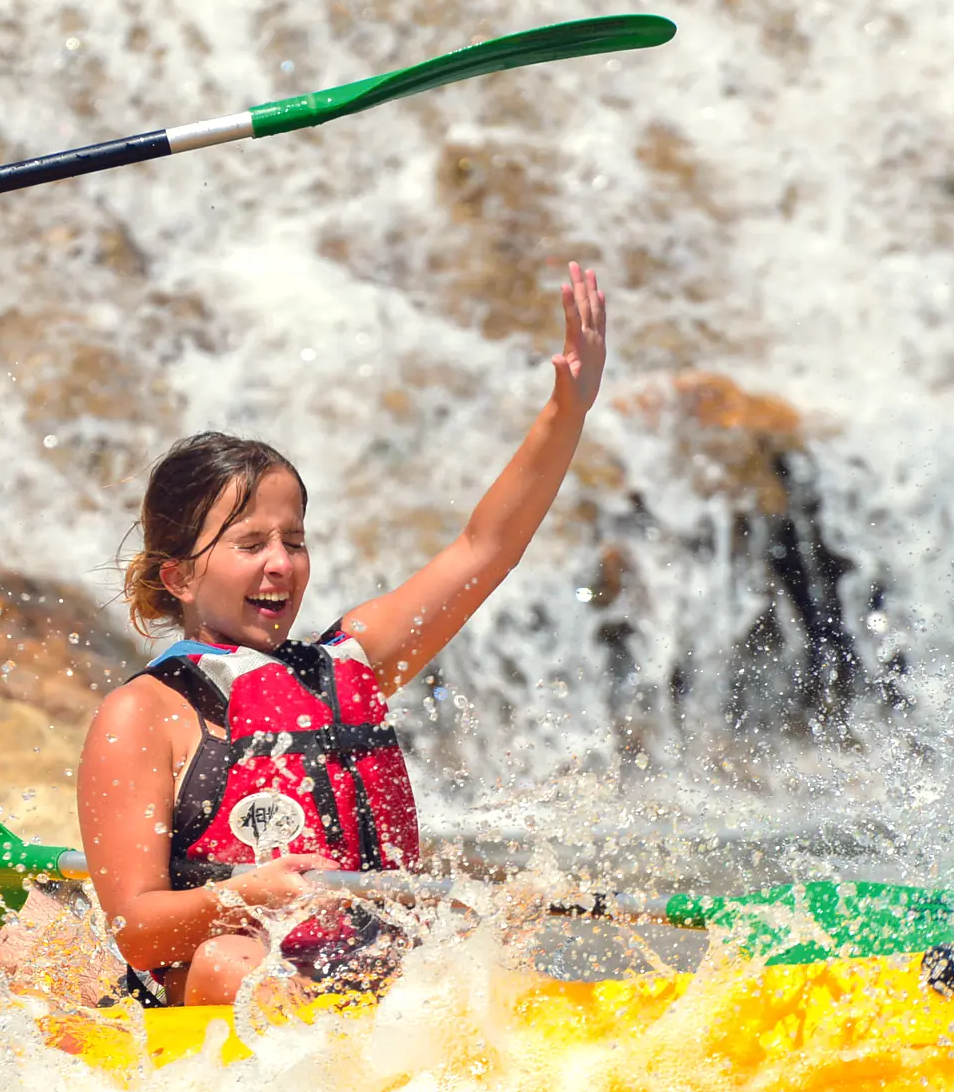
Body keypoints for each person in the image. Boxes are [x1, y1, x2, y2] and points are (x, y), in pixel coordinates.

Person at [78, 263, 608, 1007]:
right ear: (180, 578)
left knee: (483, 938)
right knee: (235, 963)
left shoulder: (347, 661)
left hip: (353, 960)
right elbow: (134, 927)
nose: (280, 564)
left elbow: (485, 549)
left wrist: (567, 412)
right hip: (223, 983)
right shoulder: (142, 714)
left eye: (292, 540)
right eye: (249, 542)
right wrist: (247, 896)